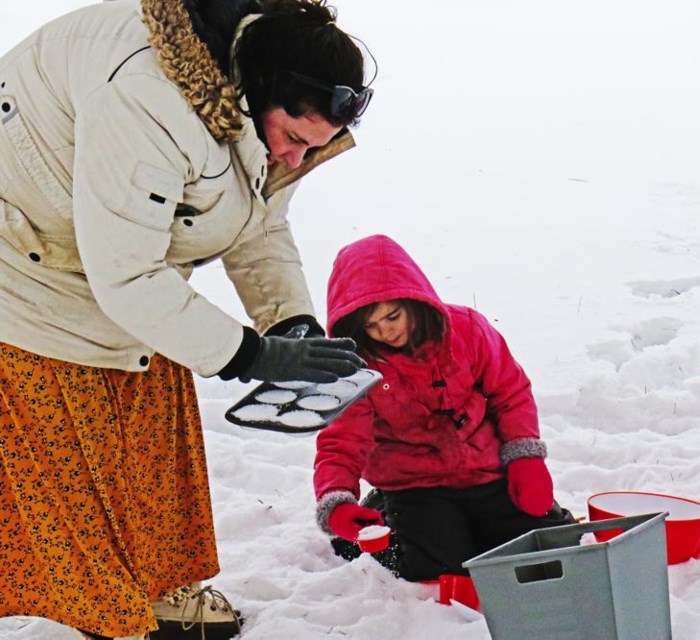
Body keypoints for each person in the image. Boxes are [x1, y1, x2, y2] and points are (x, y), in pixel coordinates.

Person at [0, 1, 373, 638]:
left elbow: (259, 218)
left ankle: (163, 595)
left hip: (117, 253)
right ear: (258, 98)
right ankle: (112, 619)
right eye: (293, 140)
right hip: (25, 267)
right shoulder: (148, 99)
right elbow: (127, 276)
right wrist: (249, 356)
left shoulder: (269, 103)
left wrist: (288, 321)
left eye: (310, 149)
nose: (293, 159)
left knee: (151, 442)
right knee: (70, 475)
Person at [313, 234, 574, 581]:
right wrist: (337, 502)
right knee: (439, 569)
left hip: (487, 471)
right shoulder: (354, 366)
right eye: (371, 326)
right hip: (415, 486)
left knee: (541, 549)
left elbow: (511, 394)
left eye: (392, 316)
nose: (385, 332)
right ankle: (385, 514)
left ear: (413, 301)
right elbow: (341, 439)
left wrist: (526, 459)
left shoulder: (468, 330)